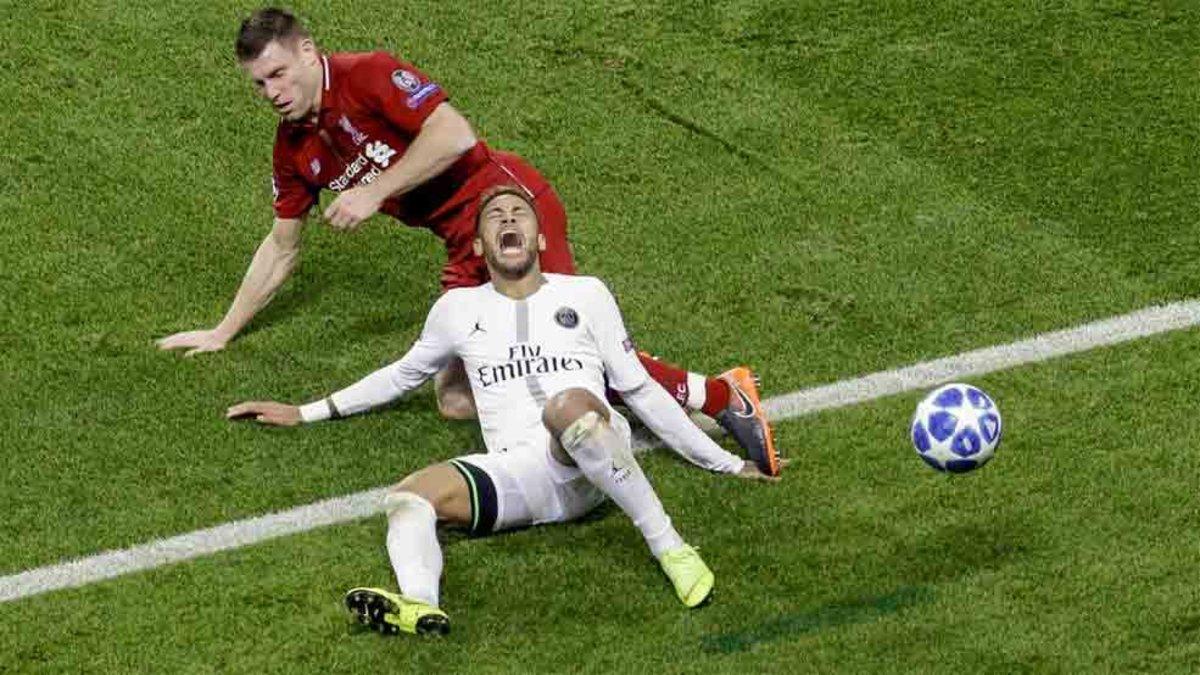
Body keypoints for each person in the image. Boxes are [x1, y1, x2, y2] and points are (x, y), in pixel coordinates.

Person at [157, 7, 780, 475]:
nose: (272, 93)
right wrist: (223, 330)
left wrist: (376, 190)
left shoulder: (370, 75)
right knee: (456, 398)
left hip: (509, 212)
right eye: (259, 85)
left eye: (278, 74)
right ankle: (619, 416)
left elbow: (454, 134)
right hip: (463, 247)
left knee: (571, 350)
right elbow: (281, 246)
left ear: (307, 52)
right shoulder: (293, 147)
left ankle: (723, 395)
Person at [227, 187, 778, 635]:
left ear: (539, 239)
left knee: (567, 408)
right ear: (478, 245)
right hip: (521, 476)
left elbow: (639, 390)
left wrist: (725, 463)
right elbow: (401, 375)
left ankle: (672, 549)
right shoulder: (457, 310)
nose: (507, 220)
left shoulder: (586, 294)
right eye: (495, 216)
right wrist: (306, 412)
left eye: (519, 214)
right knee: (408, 498)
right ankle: (420, 605)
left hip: (586, 459)